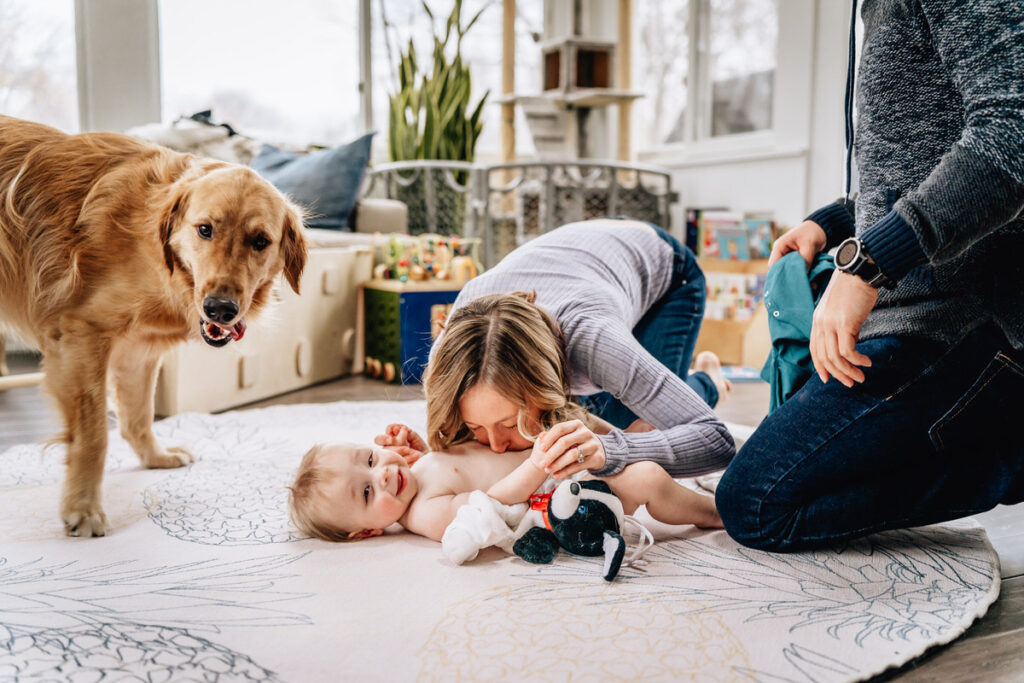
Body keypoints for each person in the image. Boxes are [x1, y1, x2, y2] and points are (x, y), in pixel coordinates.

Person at [715, 0, 1024, 551]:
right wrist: (831, 222)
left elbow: (1012, 137)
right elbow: (914, 165)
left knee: (757, 503)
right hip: (918, 308)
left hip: (967, 320)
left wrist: (865, 267)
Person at [377, 219, 735, 483]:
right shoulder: (452, 359)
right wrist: (428, 459)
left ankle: (708, 382)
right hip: (583, 265)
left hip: (666, 273)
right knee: (572, 433)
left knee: (629, 433)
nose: (496, 446)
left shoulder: (594, 342)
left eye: (507, 423)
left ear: (548, 381)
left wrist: (609, 451)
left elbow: (716, 440)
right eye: (476, 427)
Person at [287, 436, 721, 543]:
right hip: (562, 501)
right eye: (365, 493)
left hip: (555, 465)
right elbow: (492, 504)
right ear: (366, 531)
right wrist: (535, 465)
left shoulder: (412, 473)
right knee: (645, 478)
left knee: (629, 436)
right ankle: (714, 512)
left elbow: (459, 463)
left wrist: (418, 446)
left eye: (368, 458)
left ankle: (706, 385)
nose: (380, 473)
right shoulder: (424, 515)